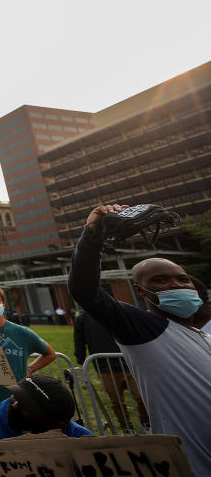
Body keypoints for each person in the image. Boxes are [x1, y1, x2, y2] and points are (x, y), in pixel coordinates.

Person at [68, 203, 211, 475]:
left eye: (184, 279)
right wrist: (93, 234)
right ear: (140, 290)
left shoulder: (203, 335)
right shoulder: (144, 328)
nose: (177, 285)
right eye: (161, 280)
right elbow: (84, 290)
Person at [0, 284, 57, 410]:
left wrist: (30, 369)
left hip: (19, 402)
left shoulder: (22, 332)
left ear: (4, 305)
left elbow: (50, 354)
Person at [73, 309, 149, 431]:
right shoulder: (82, 319)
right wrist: (81, 361)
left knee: (142, 396)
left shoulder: (115, 310)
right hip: (105, 367)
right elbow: (79, 340)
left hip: (127, 363)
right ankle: (127, 428)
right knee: (117, 402)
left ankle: (146, 423)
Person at [0, 375, 92, 441]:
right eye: (15, 397)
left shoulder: (82, 441)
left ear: (56, 426)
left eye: (27, 408)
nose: (15, 406)